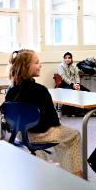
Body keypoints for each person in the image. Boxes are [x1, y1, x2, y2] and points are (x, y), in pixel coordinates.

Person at [5, 49, 82, 177]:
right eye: (36, 62)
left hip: (19, 133)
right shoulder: (41, 90)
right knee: (73, 135)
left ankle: (44, 166)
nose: (40, 65)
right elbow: (53, 122)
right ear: (26, 67)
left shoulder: (11, 90)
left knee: (58, 135)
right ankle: (75, 175)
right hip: (38, 135)